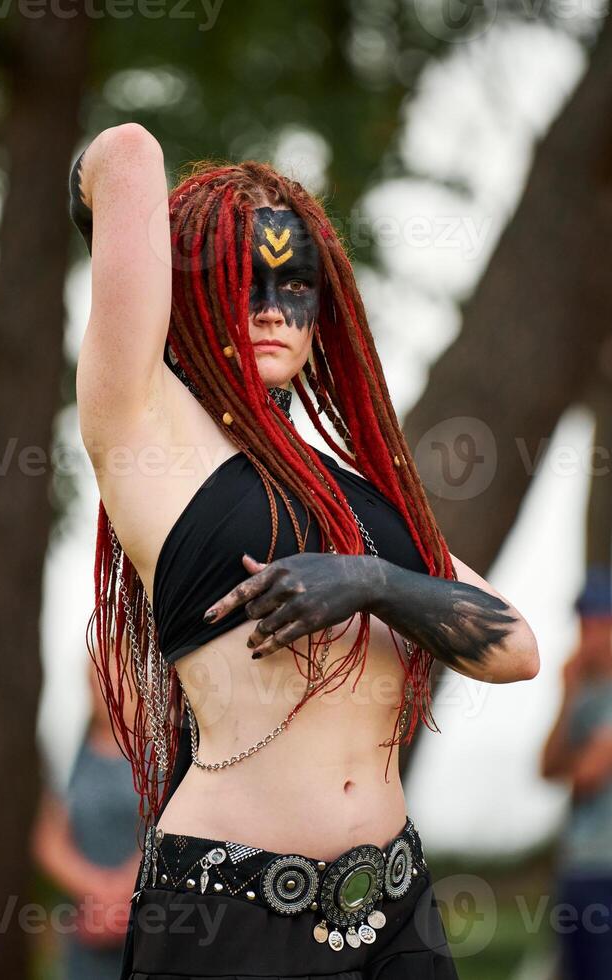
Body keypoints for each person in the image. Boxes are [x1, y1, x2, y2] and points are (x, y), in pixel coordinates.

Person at [68, 123, 540, 979]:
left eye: (297, 287)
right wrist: (136, 241)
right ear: (194, 291)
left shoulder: (366, 500)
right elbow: (128, 151)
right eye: (245, 281)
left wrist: (371, 579)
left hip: (396, 907)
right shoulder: (150, 437)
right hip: (235, 914)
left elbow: (517, 650)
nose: (275, 310)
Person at [539, 567, 612, 980]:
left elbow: (590, 774)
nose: (587, 632)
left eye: (595, 621)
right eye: (582, 622)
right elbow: (544, 767)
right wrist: (567, 695)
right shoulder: (580, 699)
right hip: (578, 869)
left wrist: (575, 760)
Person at [33, 659, 144, 979]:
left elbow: (170, 831)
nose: (107, 690)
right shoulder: (68, 748)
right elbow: (49, 838)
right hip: (85, 926)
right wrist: (96, 891)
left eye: (117, 678)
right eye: (97, 680)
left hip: (152, 922)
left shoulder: (163, 750)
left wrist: (125, 894)